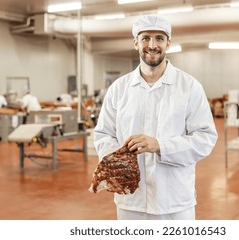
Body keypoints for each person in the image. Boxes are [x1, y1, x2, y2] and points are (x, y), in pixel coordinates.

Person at [93, 15, 218, 220]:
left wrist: (159, 145)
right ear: (135, 43)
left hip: (174, 201)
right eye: (145, 38)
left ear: (168, 43)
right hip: (131, 200)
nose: (152, 45)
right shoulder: (119, 89)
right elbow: (103, 134)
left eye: (159, 38)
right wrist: (119, 160)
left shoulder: (189, 87)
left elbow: (205, 138)